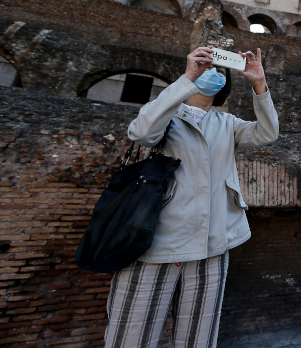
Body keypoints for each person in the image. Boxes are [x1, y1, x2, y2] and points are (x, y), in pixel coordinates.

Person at [103, 46, 278, 348]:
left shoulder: (228, 124)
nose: (214, 72)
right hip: (155, 245)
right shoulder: (167, 115)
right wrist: (187, 77)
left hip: (211, 246)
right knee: (131, 338)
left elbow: (267, 133)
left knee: (198, 340)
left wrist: (259, 84)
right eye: (206, 67)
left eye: (219, 70)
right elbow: (141, 132)